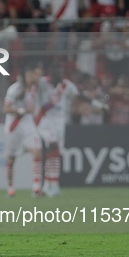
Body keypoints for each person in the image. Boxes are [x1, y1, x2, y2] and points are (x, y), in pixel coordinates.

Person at [35, 66, 79, 197]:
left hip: (60, 123)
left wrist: (95, 104)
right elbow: (30, 86)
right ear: (51, 74)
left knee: (55, 152)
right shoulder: (42, 83)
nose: (61, 75)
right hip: (44, 120)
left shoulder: (67, 86)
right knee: (53, 146)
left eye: (62, 73)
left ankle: (48, 185)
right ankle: (54, 185)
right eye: (58, 73)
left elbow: (79, 95)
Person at [3, 63, 43, 198]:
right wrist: (24, 110)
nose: (34, 77)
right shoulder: (15, 89)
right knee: (11, 159)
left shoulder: (36, 89)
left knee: (37, 151)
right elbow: (6, 109)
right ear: (25, 76)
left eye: (36, 74)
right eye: (32, 74)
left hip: (29, 126)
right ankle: (10, 187)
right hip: (14, 127)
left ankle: (36, 188)